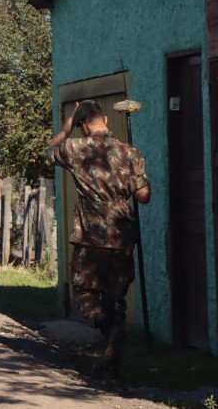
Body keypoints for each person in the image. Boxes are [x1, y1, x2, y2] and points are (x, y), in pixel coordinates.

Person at [46, 100, 151, 378]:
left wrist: (67, 124)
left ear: (82, 126)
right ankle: (112, 362)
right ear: (105, 119)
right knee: (116, 297)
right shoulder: (131, 152)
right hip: (122, 234)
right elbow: (144, 196)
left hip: (91, 234)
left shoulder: (75, 148)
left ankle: (107, 329)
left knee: (84, 291)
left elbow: (50, 150)